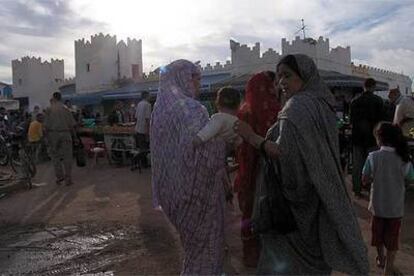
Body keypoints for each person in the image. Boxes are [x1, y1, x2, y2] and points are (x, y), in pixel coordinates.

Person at [235, 54, 369, 275]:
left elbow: (282, 155)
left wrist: (251, 137)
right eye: (278, 78)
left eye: (287, 76)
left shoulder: (295, 108)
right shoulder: (322, 103)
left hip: (295, 207)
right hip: (319, 196)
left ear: (304, 75)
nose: (281, 83)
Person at [151, 60, 227, 275]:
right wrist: (225, 140)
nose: (199, 84)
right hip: (196, 194)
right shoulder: (191, 108)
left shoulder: (159, 111)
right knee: (205, 251)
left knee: (193, 248)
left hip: (172, 194)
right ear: (183, 78)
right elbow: (205, 155)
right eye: (196, 78)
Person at [234, 71, 280, 267]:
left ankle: (251, 255)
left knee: (251, 210)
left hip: (249, 170)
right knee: (271, 211)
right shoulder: (276, 110)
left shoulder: (243, 111)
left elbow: (239, 144)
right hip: (271, 170)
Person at [362, 122, 414, 275]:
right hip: (395, 208)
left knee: (378, 236)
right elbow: (410, 179)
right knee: (392, 240)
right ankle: (389, 268)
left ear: (379, 139)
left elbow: (365, 179)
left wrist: (374, 179)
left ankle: (381, 257)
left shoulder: (373, 157)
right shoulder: (404, 159)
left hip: (378, 206)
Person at [350, 78, 384, 197]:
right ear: (373, 87)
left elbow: (351, 121)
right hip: (372, 138)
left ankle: (357, 189)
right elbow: (381, 121)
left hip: (357, 137)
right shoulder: (378, 101)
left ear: (363, 86)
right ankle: (371, 189)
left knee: (357, 165)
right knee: (373, 165)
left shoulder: (355, 101)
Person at [44, 92, 77, 186]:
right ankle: (68, 179)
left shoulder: (49, 109)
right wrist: (75, 137)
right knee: (68, 157)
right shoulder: (66, 109)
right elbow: (72, 126)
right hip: (66, 133)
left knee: (55, 157)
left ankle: (59, 176)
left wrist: (46, 138)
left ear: (54, 98)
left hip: (53, 134)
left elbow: (45, 126)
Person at [135, 91, 152, 167]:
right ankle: (144, 164)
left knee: (141, 147)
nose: (150, 97)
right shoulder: (148, 105)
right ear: (146, 96)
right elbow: (148, 119)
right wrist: (148, 132)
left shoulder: (139, 104)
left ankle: (142, 163)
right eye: (149, 95)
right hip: (144, 129)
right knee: (146, 148)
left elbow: (136, 117)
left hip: (138, 129)